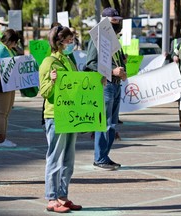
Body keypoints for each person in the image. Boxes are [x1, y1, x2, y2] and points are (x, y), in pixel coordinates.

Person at [39, 25, 82, 213]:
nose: (72, 44)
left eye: (72, 40)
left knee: (68, 159)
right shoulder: (49, 62)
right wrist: (54, 81)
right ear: (59, 42)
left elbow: (77, 84)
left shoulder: (68, 60)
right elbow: (45, 92)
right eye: (69, 41)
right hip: (55, 115)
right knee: (55, 158)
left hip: (70, 114)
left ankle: (62, 196)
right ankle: (51, 198)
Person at [86, 7, 127, 170]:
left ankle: (104, 155)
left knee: (112, 124)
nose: (117, 23)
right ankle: (100, 157)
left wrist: (123, 70)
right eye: (113, 21)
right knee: (104, 123)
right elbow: (91, 64)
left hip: (116, 84)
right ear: (104, 22)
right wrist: (112, 71)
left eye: (118, 20)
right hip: (106, 85)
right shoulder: (96, 38)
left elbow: (117, 62)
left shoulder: (114, 39)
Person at [0, 29, 19, 148]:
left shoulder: (8, 50)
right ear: (10, 41)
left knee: (6, 113)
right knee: (2, 113)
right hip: (2, 85)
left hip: (9, 84)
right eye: (15, 42)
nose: (16, 44)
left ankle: (3, 138)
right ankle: (1, 140)